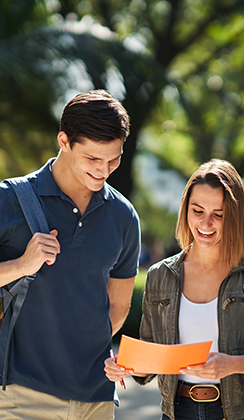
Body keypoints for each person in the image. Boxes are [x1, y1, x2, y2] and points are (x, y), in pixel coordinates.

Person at [0, 90, 140, 420]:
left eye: (114, 159)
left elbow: (118, 306)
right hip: (21, 394)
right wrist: (21, 265)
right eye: (93, 159)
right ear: (64, 141)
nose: (104, 170)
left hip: (96, 398)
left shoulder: (124, 217)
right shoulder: (8, 200)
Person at [104, 159, 244, 420]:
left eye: (219, 214)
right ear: (185, 210)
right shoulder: (160, 275)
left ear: (234, 216)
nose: (206, 223)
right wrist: (124, 365)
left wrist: (233, 365)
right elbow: (150, 356)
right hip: (178, 411)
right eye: (197, 211)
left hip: (243, 413)